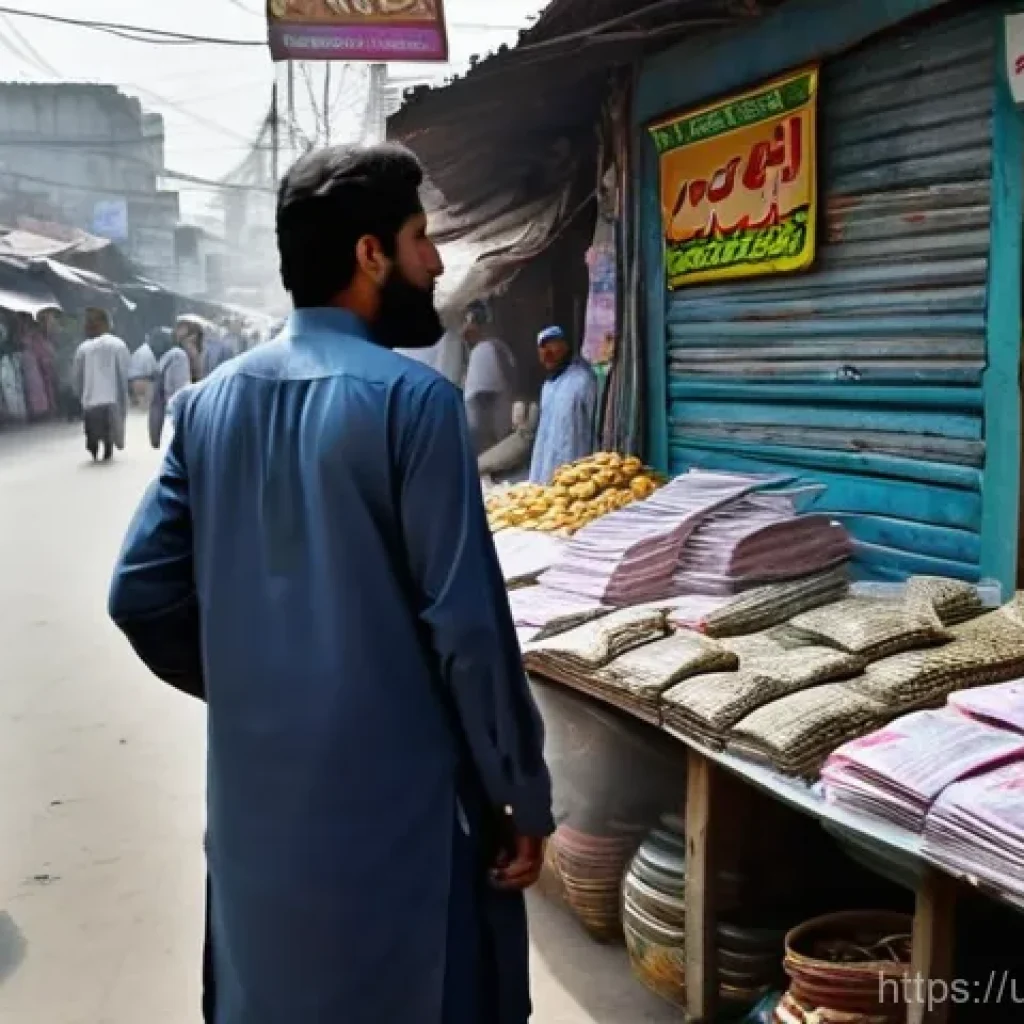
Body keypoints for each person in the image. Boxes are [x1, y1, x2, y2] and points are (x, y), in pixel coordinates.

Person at [108, 143, 554, 1024]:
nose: (435, 263)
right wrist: (521, 793)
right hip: (405, 822)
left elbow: (139, 596)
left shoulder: (204, 408)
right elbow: (467, 630)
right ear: (369, 253)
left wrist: (254, 679)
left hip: (256, 827)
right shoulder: (413, 404)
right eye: (422, 238)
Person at [528, 325, 599, 485]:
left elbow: (595, 425)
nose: (546, 353)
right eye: (542, 348)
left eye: (551, 345)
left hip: (577, 471)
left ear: (564, 346)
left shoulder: (583, 380)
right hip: (547, 473)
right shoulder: (548, 386)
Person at [72, 308, 129, 462]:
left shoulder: (83, 348)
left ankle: (94, 452)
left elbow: (77, 376)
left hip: (90, 401)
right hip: (112, 399)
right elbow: (123, 372)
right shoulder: (118, 344)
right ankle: (107, 452)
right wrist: (125, 396)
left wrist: (79, 395)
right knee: (109, 435)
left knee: (92, 435)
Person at [463, 300, 517, 455]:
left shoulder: (484, 351)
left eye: (467, 322)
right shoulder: (498, 347)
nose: (464, 330)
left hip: (488, 443)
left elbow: (483, 401)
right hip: (499, 439)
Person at [148, 328, 193, 449]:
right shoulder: (178, 354)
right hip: (176, 405)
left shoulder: (162, 359)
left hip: (166, 410)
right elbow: (179, 384)